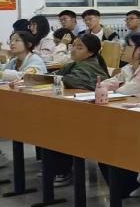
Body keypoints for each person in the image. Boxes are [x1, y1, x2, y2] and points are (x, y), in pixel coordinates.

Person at [47, 34, 112, 186]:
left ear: (91, 52)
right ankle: (55, 167)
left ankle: (62, 170)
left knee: (59, 125)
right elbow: (54, 77)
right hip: (79, 108)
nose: (73, 50)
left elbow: (71, 80)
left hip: (93, 113)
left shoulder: (89, 66)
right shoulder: (77, 63)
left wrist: (55, 79)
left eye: (79, 47)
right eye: (73, 46)